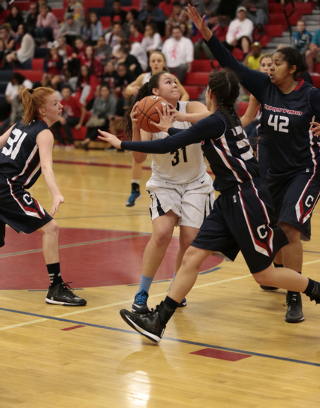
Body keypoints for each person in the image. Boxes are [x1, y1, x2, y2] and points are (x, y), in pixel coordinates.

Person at [99, 69, 320, 343]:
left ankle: (316, 290)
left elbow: (172, 142)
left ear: (210, 94)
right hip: (228, 198)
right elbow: (178, 135)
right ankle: (158, 322)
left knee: (265, 275)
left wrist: (120, 142)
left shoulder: (215, 121)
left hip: (246, 197)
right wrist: (166, 126)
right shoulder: (223, 118)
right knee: (192, 256)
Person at [183, 5, 320, 324]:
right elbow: (230, 63)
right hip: (271, 171)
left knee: (290, 229)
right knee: (274, 231)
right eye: (269, 63)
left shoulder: (311, 96)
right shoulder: (263, 86)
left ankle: (295, 296)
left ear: (294, 69)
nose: (270, 67)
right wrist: (208, 36)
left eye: (278, 63)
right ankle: (279, 274)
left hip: (305, 171)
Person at [99, 71, 214, 314]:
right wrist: (134, 122)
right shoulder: (147, 114)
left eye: (175, 81)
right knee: (161, 233)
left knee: (189, 240)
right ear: (155, 91)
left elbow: (212, 117)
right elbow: (139, 158)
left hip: (195, 183)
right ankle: (142, 292)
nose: (174, 84)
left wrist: (179, 116)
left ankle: (176, 288)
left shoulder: (190, 105)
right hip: (165, 183)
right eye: (168, 81)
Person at [0, 87, 87, 306]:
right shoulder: (44, 132)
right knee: (51, 228)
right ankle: (55, 289)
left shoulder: (19, 124)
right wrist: (56, 194)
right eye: (55, 103)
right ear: (43, 110)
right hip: (7, 187)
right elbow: (47, 168)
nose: (61, 106)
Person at [124, 51, 189, 207]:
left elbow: (184, 94)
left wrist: (179, 108)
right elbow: (127, 88)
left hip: (168, 115)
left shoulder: (171, 79)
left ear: (164, 62)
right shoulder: (144, 77)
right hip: (148, 117)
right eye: (153, 60)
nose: (156, 63)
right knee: (138, 155)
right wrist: (133, 90)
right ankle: (135, 188)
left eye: (159, 60)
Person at [79, 84, 117, 150]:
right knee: (90, 124)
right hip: (97, 119)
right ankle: (86, 141)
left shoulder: (113, 100)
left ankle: (87, 141)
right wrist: (94, 115)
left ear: (109, 91)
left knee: (99, 126)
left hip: (107, 121)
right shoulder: (97, 100)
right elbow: (93, 111)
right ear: (100, 92)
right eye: (102, 91)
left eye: (106, 90)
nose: (104, 92)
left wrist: (101, 115)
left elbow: (111, 113)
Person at [51, 84, 86, 148]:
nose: (66, 93)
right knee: (54, 123)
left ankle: (71, 143)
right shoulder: (62, 101)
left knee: (65, 121)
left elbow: (83, 110)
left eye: (68, 92)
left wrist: (80, 123)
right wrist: (60, 118)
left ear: (70, 92)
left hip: (77, 118)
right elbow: (60, 112)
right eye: (64, 92)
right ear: (62, 93)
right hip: (69, 119)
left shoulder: (75, 100)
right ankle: (61, 142)